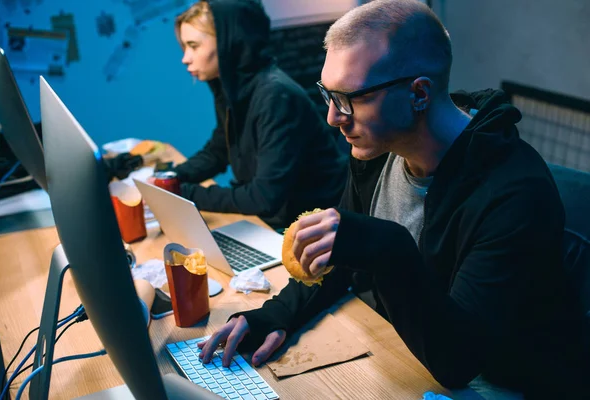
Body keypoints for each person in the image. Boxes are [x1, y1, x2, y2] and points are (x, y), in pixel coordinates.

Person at [196, 0, 590, 398]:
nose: (333, 117)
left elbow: (459, 360)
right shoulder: (378, 147)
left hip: (502, 378)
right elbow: (344, 256)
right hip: (407, 347)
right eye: (328, 95)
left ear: (418, 93)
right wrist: (277, 314)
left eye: (349, 98)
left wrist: (386, 246)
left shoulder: (514, 193)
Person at [171, 0, 346, 231]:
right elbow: (218, 150)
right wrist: (170, 177)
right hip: (278, 221)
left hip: (310, 228)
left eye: (193, 46)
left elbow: (264, 197)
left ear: (228, 42)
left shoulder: (275, 95)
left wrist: (182, 192)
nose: (186, 58)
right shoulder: (232, 89)